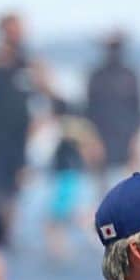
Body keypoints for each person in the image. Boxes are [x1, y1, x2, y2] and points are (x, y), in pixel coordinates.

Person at [0, 12, 54, 223]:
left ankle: (6, 237)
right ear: (2, 32)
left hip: (20, 138)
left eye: (21, 30)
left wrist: (40, 124)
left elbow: (50, 94)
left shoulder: (30, 63)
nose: (18, 35)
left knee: (15, 191)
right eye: (13, 30)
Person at [46, 98, 104, 261]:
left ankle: (60, 254)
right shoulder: (80, 128)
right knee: (75, 218)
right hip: (76, 178)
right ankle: (64, 252)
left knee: (58, 221)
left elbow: (91, 151)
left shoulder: (68, 129)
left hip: (68, 179)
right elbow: (94, 153)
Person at [86, 31, 140, 192]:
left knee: (131, 190)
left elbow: (139, 111)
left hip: (126, 136)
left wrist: (137, 141)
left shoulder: (130, 75)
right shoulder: (96, 75)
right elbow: (89, 112)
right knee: (101, 192)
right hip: (102, 138)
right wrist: (93, 141)